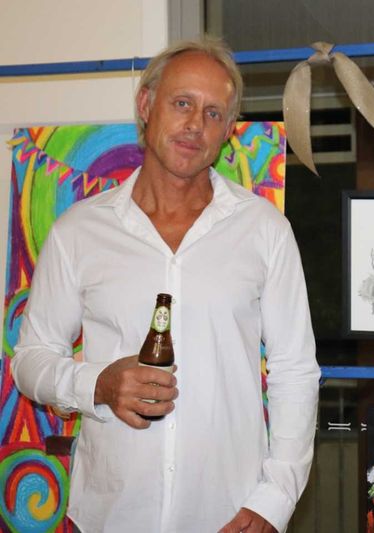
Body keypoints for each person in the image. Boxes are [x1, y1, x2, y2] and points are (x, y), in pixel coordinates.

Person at [11, 38, 320, 533]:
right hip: (111, 514)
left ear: (228, 131)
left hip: (230, 513)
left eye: (214, 113)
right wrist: (98, 384)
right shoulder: (79, 231)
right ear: (145, 104)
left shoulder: (264, 229)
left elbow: (295, 371)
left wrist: (275, 499)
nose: (196, 124)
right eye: (182, 103)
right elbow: (31, 359)